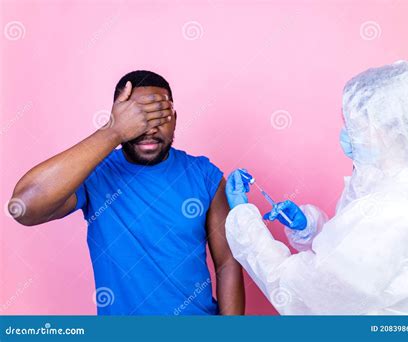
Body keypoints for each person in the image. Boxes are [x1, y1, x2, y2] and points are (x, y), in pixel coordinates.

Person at [225, 61, 408, 315]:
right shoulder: (395, 184)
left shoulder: (394, 210)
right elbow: (355, 259)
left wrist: (243, 219)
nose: (347, 133)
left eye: (355, 126)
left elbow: (304, 292)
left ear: (387, 132)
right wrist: (309, 229)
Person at [9, 70, 244, 315]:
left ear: (175, 117)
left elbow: (227, 262)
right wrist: (113, 132)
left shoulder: (205, 175)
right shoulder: (96, 174)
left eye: (159, 116)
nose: (149, 129)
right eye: (138, 118)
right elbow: (23, 207)